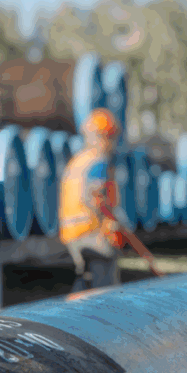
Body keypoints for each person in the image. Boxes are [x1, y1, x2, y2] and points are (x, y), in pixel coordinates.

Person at [58, 108, 127, 291]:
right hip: (90, 231)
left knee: (85, 278)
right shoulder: (99, 161)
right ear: (103, 136)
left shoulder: (79, 161)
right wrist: (111, 225)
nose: (112, 143)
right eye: (111, 137)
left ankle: (74, 311)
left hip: (71, 232)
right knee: (105, 281)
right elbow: (97, 197)